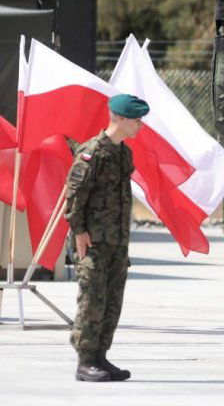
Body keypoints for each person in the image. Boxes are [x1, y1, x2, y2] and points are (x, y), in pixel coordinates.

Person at [66, 94, 149, 382]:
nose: (140, 125)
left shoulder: (123, 153)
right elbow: (75, 194)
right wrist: (78, 229)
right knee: (92, 300)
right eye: (137, 119)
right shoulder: (92, 152)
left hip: (116, 241)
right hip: (94, 240)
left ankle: (100, 356)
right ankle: (85, 360)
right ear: (119, 118)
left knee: (112, 300)